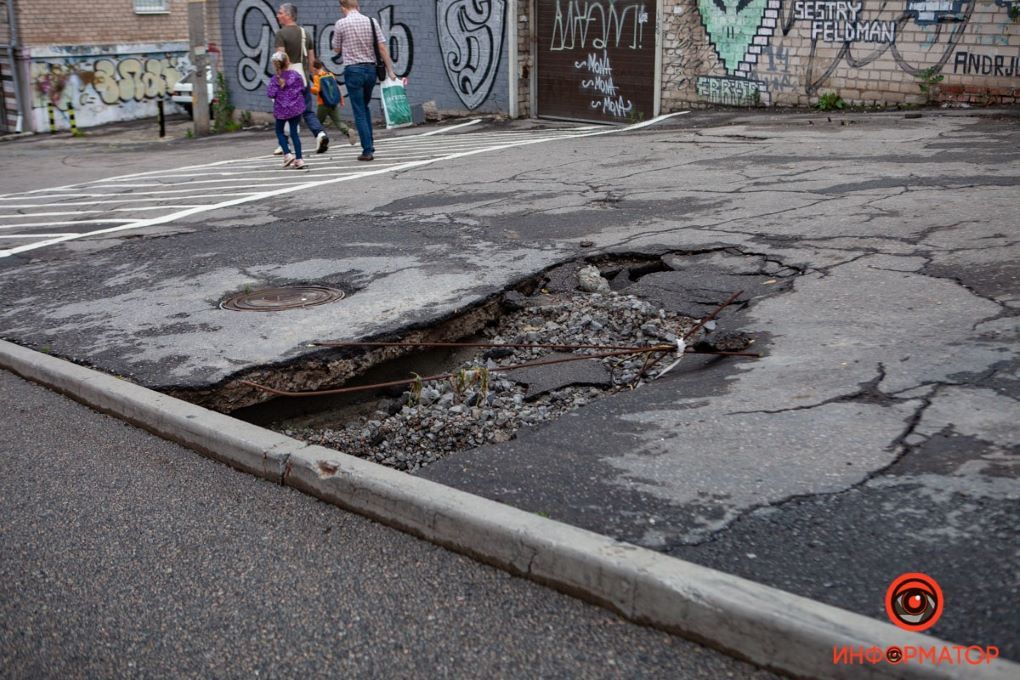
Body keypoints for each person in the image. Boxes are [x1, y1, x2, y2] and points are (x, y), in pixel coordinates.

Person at [331, 0, 396, 161]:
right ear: (357, 6)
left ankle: (367, 150)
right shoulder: (372, 22)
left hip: (353, 70)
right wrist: (390, 70)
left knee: (359, 110)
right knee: (364, 106)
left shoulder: (341, 24)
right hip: (371, 70)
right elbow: (382, 48)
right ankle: (370, 144)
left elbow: (336, 49)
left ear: (343, 8)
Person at [274, 3, 329, 154]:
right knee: (307, 111)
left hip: (288, 79)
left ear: (288, 15)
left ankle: (284, 144)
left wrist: (279, 79)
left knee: (285, 111)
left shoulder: (281, 34)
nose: (278, 15)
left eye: (280, 13)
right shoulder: (306, 34)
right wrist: (315, 78)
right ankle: (320, 134)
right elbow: (312, 62)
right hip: (302, 78)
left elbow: (280, 59)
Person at [267, 52, 308, 170]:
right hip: (295, 109)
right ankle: (299, 159)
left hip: (281, 110)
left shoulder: (275, 79)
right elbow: (303, 89)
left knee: (279, 131)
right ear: (288, 62)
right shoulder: (296, 75)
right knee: (294, 133)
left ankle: (287, 154)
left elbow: (270, 94)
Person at [310, 59, 356, 145]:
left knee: (318, 123)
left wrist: (309, 89)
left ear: (315, 68)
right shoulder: (330, 74)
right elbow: (337, 88)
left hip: (323, 104)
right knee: (338, 121)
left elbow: (316, 90)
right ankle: (348, 131)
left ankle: (323, 139)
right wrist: (341, 99)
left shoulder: (317, 77)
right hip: (333, 103)